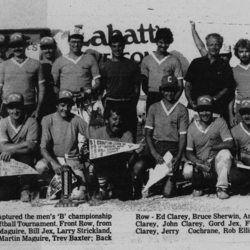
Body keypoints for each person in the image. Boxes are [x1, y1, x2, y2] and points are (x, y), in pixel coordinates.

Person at [133, 75, 189, 199]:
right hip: (156, 147)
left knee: (167, 194)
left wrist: (178, 156)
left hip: (172, 149)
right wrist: (154, 153)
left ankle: (167, 181)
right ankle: (148, 181)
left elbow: (183, 136)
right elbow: (147, 134)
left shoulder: (181, 109)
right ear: (161, 90)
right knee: (138, 167)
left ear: (176, 90)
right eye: (166, 89)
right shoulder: (154, 107)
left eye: (172, 89)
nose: (169, 93)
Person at [35, 89, 89, 200]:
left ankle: (68, 188)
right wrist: (53, 163)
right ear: (56, 105)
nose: (65, 109)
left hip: (72, 160)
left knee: (78, 195)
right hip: (54, 159)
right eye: (62, 105)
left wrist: (86, 161)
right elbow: (43, 147)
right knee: (40, 166)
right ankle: (57, 185)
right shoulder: (47, 119)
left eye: (68, 105)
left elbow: (92, 136)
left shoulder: (76, 119)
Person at [183, 95, 234, 199]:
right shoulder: (192, 127)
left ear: (212, 110)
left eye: (208, 110)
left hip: (215, 165)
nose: (205, 113)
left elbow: (230, 143)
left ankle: (221, 187)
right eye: (201, 110)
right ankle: (200, 185)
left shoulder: (219, 121)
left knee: (226, 153)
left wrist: (214, 146)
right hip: (200, 165)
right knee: (187, 171)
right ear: (197, 111)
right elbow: (188, 152)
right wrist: (198, 162)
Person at [90, 106, 143, 201]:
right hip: (102, 169)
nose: (118, 122)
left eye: (120, 119)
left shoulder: (127, 134)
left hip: (119, 169)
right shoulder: (96, 134)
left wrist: (135, 153)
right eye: (114, 119)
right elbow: (92, 157)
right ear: (106, 120)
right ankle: (101, 188)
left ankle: (110, 191)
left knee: (125, 196)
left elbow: (129, 162)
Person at [185, 33, 235, 123]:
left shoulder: (225, 65)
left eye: (217, 45)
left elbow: (227, 88)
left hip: (215, 110)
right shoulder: (196, 62)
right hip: (195, 110)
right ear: (207, 45)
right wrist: (190, 101)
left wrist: (214, 98)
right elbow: (188, 85)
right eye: (211, 44)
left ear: (220, 46)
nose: (214, 47)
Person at [100, 34, 140, 142]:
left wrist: (132, 104)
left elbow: (137, 88)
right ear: (110, 47)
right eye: (114, 46)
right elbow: (101, 89)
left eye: (119, 46)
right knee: (111, 135)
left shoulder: (132, 65)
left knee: (130, 135)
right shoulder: (105, 66)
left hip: (128, 104)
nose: (117, 49)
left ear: (124, 46)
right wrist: (105, 105)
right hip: (112, 103)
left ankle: (130, 158)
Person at [0, 93, 39, 202]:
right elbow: (2, 147)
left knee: (27, 155)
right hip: (7, 158)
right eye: (11, 108)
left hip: (24, 158)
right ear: (7, 109)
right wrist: (25, 143)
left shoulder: (31, 122)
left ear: (23, 107)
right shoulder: (3, 123)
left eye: (18, 107)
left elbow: (32, 147)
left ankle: (26, 189)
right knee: (5, 194)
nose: (15, 111)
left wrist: (12, 151)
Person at [0, 32, 45, 119]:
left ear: (25, 45)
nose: (17, 48)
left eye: (20, 45)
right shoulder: (3, 65)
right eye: (14, 46)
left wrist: (38, 109)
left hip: (28, 106)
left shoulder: (36, 64)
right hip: (8, 106)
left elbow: (42, 89)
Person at [52, 25, 101, 99]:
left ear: (82, 42)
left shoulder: (90, 58)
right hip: (66, 101)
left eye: (79, 42)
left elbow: (98, 82)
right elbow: (53, 85)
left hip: (85, 101)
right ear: (68, 42)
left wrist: (88, 92)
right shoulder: (59, 61)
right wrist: (62, 96)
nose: (76, 45)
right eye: (73, 42)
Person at [141, 28, 183, 112]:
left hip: (168, 96)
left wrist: (173, 101)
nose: (163, 45)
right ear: (156, 42)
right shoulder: (147, 60)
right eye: (161, 42)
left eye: (166, 42)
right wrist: (151, 96)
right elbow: (144, 85)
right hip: (152, 97)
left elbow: (180, 85)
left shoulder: (174, 60)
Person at [230, 98, 250, 193]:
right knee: (234, 175)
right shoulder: (235, 131)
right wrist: (242, 156)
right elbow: (233, 155)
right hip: (245, 165)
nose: (247, 116)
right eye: (244, 113)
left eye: (249, 112)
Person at [229, 39, 250, 127]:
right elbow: (231, 95)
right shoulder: (233, 70)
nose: (244, 54)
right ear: (237, 53)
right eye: (241, 51)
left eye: (247, 51)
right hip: (240, 108)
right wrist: (231, 115)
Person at [40, 37, 57, 117]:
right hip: (44, 102)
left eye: (50, 47)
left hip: (58, 100)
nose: (47, 51)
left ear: (55, 48)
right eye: (44, 48)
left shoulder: (60, 63)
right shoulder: (38, 65)